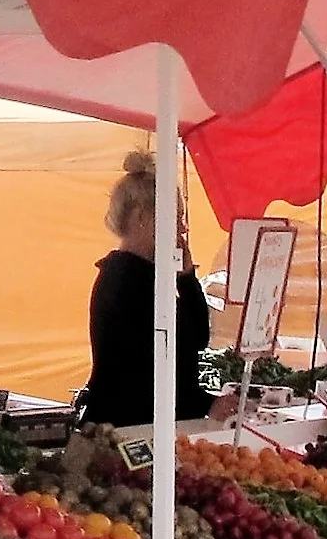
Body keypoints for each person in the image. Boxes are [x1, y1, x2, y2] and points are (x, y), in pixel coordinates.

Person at [81, 152, 234, 427]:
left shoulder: (140, 275)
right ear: (143, 218)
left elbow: (195, 339)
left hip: (142, 423)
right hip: (129, 429)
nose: (183, 229)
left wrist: (186, 278)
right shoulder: (127, 281)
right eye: (176, 218)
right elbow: (149, 369)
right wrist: (207, 403)